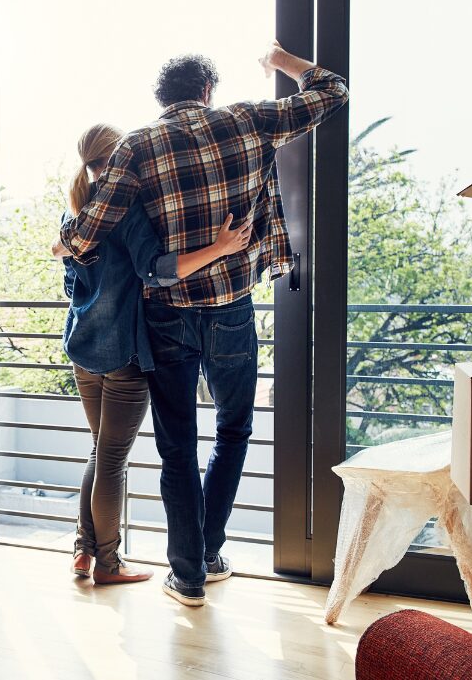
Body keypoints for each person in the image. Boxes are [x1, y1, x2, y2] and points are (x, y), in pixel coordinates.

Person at [60, 43, 348, 607]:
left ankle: (187, 576)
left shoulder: (138, 146)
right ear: (207, 91)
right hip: (232, 310)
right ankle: (210, 551)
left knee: (176, 449)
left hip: (167, 316)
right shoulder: (248, 119)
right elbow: (333, 91)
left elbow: (84, 234)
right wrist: (282, 61)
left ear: (161, 99)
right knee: (233, 429)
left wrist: (66, 240)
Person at [58, 123, 252, 585]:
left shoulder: (77, 215)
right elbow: (156, 271)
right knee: (112, 458)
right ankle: (108, 563)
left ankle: (84, 551)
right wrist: (220, 247)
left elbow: (71, 284)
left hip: (83, 349)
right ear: (122, 158)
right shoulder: (127, 212)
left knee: (100, 451)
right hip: (124, 354)